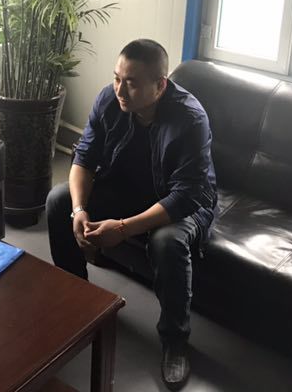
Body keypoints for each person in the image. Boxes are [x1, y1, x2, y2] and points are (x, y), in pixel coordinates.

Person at [46, 39, 217, 390]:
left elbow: (184, 196)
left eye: (132, 83)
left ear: (160, 85)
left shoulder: (190, 118)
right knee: (59, 200)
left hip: (182, 200)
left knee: (167, 242)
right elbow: (83, 159)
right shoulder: (109, 100)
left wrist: (123, 229)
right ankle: (79, 302)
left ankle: (175, 340)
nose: (120, 90)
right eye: (117, 78)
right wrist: (79, 209)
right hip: (124, 186)